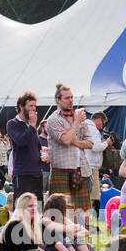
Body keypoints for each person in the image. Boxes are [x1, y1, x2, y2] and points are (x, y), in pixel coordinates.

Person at [42, 84, 92, 223]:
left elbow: (90, 143)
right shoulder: (53, 120)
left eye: (71, 97)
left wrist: (72, 139)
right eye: (67, 98)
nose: (71, 100)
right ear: (58, 100)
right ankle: (62, 238)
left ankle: (83, 239)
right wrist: (75, 124)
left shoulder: (80, 118)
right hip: (61, 170)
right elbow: (65, 140)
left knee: (83, 209)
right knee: (60, 210)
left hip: (80, 169)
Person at [7, 92, 43, 201]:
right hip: (23, 174)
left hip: (37, 172)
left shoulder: (30, 125)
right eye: (30, 106)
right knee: (22, 209)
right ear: (21, 107)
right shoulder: (12, 124)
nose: (33, 109)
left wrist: (44, 156)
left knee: (38, 208)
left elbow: (36, 147)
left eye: (34, 106)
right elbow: (21, 141)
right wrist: (32, 125)